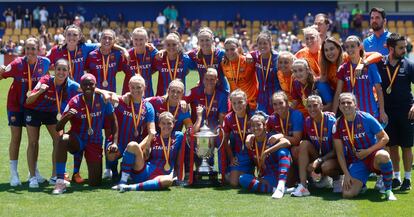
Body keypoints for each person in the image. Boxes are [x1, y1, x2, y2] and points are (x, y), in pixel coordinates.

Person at [52, 74, 118, 194]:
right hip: (78, 140)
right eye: (85, 84)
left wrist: (114, 142)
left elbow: (114, 122)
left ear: (95, 86)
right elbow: (58, 127)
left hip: (95, 142)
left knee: (95, 183)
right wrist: (66, 117)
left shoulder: (102, 100)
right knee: (63, 139)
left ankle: (80, 174)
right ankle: (60, 181)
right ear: (80, 86)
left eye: (90, 84)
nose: (88, 87)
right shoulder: (74, 101)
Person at [0, 37, 49, 187]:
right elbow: (2, 75)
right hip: (15, 106)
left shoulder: (45, 63)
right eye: (27, 48)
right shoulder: (17, 64)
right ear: (24, 50)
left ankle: (33, 172)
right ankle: (14, 174)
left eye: (33, 48)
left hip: (33, 106)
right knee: (16, 138)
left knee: (34, 140)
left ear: (39, 49)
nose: (30, 51)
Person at [25, 59, 80, 185]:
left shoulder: (71, 84)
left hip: (52, 113)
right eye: (58, 69)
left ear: (68, 71)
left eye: (64, 69)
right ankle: (33, 177)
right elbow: (28, 101)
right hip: (34, 111)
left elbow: (88, 88)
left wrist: (107, 94)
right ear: (54, 70)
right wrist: (40, 91)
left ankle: (55, 176)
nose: (61, 72)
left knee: (59, 141)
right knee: (33, 142)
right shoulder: (45, 80)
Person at [333, 92, 396, 201]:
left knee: (384, 155)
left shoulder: (366, 118)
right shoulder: (337, 124)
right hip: (357, 161)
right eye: (343, 103)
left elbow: (385, 138)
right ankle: (361, 184)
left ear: (355, 105)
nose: (346, 105)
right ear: (339, 106)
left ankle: (388, 189)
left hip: (373, 156)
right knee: (347, 194)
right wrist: (347, 174)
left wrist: (367, 151)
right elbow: (339, 153)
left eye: (349, 102)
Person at [376, 33, 414, 191]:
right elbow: (367, 57)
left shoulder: (409, 64)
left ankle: (407, 178)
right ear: (391, 48)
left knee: (406, 146)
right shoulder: (380, 64)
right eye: (401, 47)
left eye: (405, 47)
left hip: (407, 112)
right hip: (388, 113)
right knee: (392, 146)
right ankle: (396, 177)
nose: (404, 50)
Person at [114, 112, 183, 192]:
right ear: (159, 124)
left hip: (162, 175)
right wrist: (149, 139)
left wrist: (178, 174)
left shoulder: (179, 136)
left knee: (168, 181)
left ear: (173, 124)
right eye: (163, 123)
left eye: (169, 123)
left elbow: (179, 159)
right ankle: (122, 182)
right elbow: (141, 154)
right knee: (132, 145)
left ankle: (130, 187)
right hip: (146, 170)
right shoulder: (153, 136)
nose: (166, 126)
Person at [107, 74, 156, 182]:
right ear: (129, 87)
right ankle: (114, 171)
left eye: (138, 87)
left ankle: (128, 170)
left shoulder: (148, 107)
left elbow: (151, 131)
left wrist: (143, 146)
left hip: (135, 142)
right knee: (111, 154)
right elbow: (102, 92)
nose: (135, 90)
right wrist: (111, 94)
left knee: (145, 153)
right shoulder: (122, 101)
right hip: (119, 141)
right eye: (132, 87)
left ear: (144, 87)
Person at [291, 95, 341, 197]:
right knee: (302, 145)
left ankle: (337, 179)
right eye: (309, 106)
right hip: (319, 156)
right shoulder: (308, 121)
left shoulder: (332, 122)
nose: (312, 109)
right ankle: (304, 185)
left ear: (321, 106)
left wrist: (318, 160)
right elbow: (306, 144)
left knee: (326, 166)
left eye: (315, 105)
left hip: (334, 158)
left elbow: (337, 151)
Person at [332, 35, 387, 124]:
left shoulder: (370, 66)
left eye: (353, 46)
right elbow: (338, 92)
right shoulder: (343, 68)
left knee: (373, 137)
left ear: (360, 47)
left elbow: (379, 89)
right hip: (352, 113)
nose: (350, 49)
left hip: (371, 112)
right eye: (347, 47)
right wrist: (333, 114)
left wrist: (382, 111)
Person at [239, 112, 291, 199]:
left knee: (283, 152)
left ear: (264, 126)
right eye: (252, 125)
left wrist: (266, 152)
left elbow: (287, 142)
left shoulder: (271, 137)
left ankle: (281, 185)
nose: (255, 128)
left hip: (280, 175)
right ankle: (276, 190)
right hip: (265, 177)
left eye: (258, 125)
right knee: (242, 178)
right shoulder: (251, 142)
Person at [267, 91, 303, 186]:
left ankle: (305, 178)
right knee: (289, 184)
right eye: (275, 104)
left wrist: (281, 135)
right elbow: (263, 133)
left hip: (298, 149)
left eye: (281, 103)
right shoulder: (272, 118)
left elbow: (296, 140)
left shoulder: (296, 115)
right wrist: (252, 136)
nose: (278, 106)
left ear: (287, 103)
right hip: (285, 150)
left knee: (296, 150)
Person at [222, 89, 255, 187]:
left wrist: (251, 135)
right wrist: (231, 157)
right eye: (234, 103)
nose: (237, 106)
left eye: (240, 102)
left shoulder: (254, 115)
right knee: (234, 183)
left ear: (246, 101)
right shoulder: (228, 118)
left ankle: (257, 175)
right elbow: (225, 139)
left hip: (256, 152)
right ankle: (248, 174)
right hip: (240, 155)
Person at [187, 27, 229, 92]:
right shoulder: (194, 55)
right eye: (202, 40)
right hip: (203, 90)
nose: (204, 43)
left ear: (212, 40)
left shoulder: (221, 54)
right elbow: (179, 55)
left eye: (207, 40)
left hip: (221, 90)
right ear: (198, 41)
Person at [221, 38, 257, 109]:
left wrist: (249, 54)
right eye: (227, 50)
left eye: (232, 49)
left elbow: (261, 53)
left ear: (239, 48)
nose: (229, 52)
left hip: (250, 103)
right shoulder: (224, 64)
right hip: (235, 104)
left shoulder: (248, 61)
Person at [250, 31, 280, 113]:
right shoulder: (255, 56)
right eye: (260, 43)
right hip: (260, 97)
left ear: (270, 44)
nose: (262, 46)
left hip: (275, 96)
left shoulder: (278, 58)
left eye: (265, 43)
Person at [123, 27, 158, 97]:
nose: (138, 42)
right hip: (130, 94)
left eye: (141, 39)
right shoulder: (127, 55)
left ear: (146, 40)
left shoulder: (152, 53)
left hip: (147, 93)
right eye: (136, 39)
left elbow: (155, 67)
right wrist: (122, 48)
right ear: (132, 39)